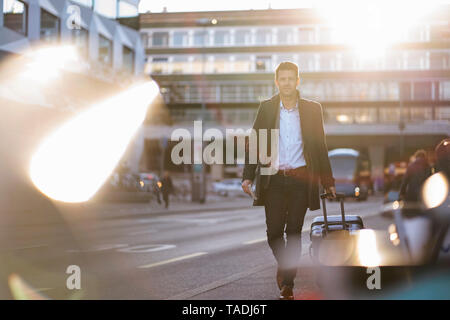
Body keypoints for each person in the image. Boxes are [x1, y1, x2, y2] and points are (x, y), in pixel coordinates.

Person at [241, 62, 336, 300]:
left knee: (293, 232)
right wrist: (247, 176)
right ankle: (285, 266)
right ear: (276, 82)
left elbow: (321, 148)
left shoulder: (312, 110)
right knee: (274, 233)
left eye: (290, 78)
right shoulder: (266, 108)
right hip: (273, 181)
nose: (286, 83)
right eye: (282, 79)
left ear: (297, 81)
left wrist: (328, 181)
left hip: (300, 181)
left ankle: (288, 285)